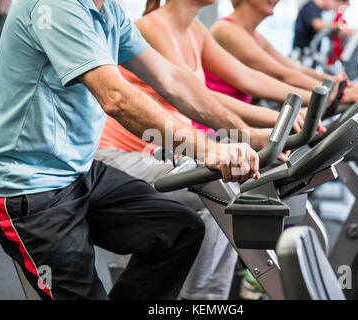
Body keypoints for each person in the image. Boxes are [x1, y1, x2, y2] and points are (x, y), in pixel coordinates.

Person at [0, 0, 263, 300]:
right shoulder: (56, 5)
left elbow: (171, 79)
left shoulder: (107, 10)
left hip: (77, 170)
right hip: (24, 186)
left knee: (179, 231)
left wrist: (247, 136)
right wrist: (207, 149)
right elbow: (116, 98)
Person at [96, 0, 314, 300]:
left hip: (168, 153)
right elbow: (189, 92)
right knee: (217, 187)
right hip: (124, 157)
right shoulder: (150, 27)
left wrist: (311, 101)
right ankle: (197, 299)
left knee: (238, 187)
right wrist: (251, 134)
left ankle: (215, 295)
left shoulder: (195, 28)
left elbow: (245, 78)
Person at [209, 0, 358, 105]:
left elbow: (295, 69)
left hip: (238, 122)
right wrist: (338, 95)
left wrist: (341, 83)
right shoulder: (226, 30)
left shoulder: (256, 36)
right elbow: (281, 75)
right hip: (219, 129)